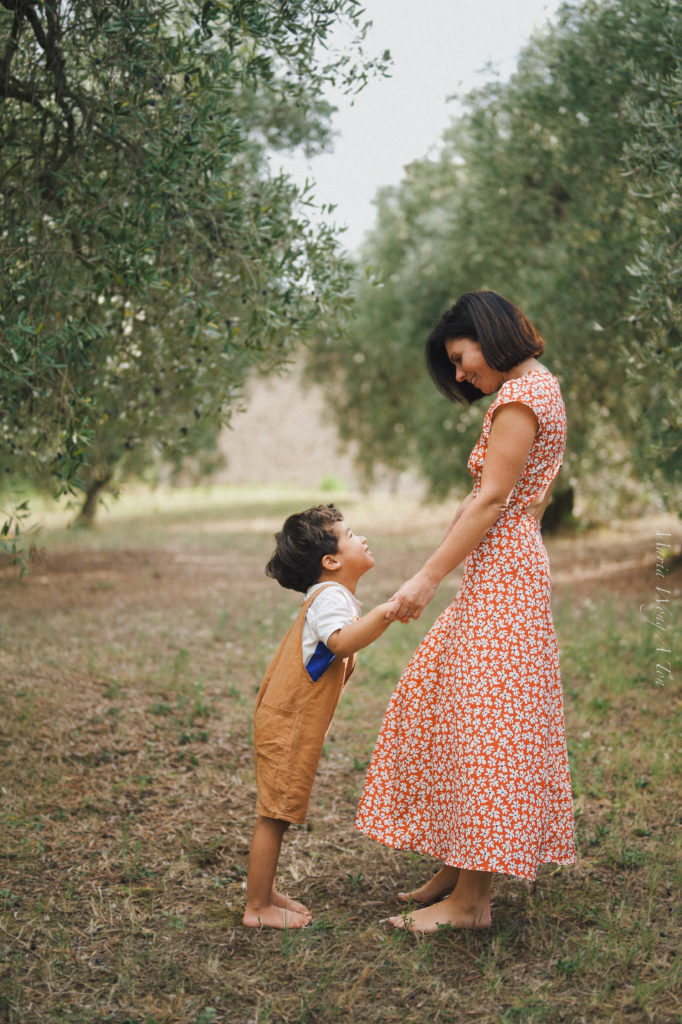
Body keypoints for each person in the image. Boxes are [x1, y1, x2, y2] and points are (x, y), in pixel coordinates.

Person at [355, 290, 576, 932]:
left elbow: (491, 501)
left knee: (487, 730)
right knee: (442, 698)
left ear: (489, 333)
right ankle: (458, 863)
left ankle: (471, 903)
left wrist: (426, 578)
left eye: (460, 357)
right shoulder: (541, 388)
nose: (459, 375)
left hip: (503, 576)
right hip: (504, 569)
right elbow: (523, 499)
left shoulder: (518, 398)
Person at [243, 503, 400, 929]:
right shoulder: (330, 597)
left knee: (276, 812)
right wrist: (386, 612)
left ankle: (264, 888)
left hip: (286, 720)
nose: (361, 538)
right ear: (331, 561)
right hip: (288, 725)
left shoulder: (331, 595)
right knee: (274, 815)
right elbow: (342, 641)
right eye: (351, 535)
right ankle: (256, 907)